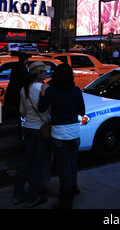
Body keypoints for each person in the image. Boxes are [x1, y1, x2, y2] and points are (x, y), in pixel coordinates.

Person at [38, 63, 85, 209]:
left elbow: (42, 108)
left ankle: (66, 201)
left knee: (64, 166)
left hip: (59, 133)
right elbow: (81, 111)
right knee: (72, 163)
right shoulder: (76, 91)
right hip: (74, 132)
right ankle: (73, 188)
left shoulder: (51, 91)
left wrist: (43, 92)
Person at [13, 61, 51, 208]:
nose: (46, 74)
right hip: (40, 130)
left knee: (25, 162)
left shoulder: (24, 89)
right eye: (44, 71)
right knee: (37, 164)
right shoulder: (42, 88)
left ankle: (18, 195)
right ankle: (32, 197)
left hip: (28, 128)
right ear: (38, 74)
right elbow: (46, 110)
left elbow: (22, 112)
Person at [3, 52, 29, 138]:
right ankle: (21, 134)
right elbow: (25, 80)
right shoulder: (23, 68)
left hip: (10, 92)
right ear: (25, 59)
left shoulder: (14, 66)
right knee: (20, 115)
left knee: (3, 113)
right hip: (17, 95)